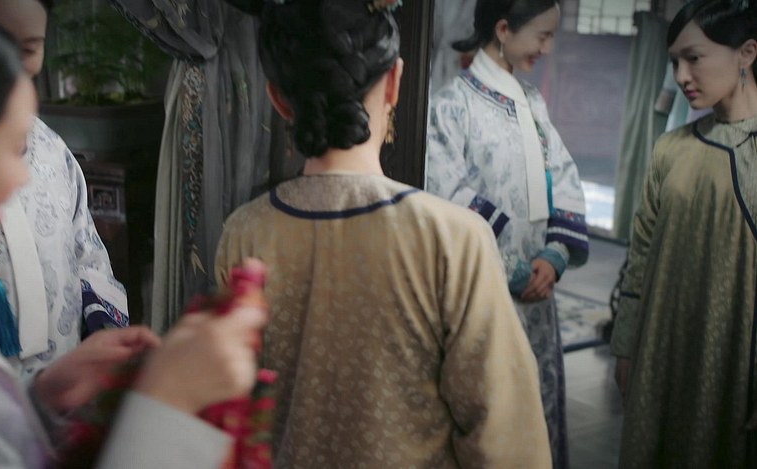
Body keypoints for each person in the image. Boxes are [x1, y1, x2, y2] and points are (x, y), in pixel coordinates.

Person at [0, 2, 268, 467]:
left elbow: (87, 255)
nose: (21, 178)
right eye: (7, 150)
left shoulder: (53, 152)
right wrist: (166, 402)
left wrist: (43, 395)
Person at [214, 0, 551, 467]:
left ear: (278, 98)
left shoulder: (244, 233)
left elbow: (233, 410)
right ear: (394, 81)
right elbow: (508, 440)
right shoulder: (453, 239)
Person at [425, 1, 589, 467]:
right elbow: (444, 192)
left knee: (535, 408)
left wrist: (554, 255)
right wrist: (510, 267)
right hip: (483, 293)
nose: (547, 48)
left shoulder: (532, 103)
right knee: (489, 420)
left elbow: (564, 174)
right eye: (542, 36)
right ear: (503, 29)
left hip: (538, 292)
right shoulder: (450, 106)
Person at [0, 0, 129, 377]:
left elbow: (87, 255)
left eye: (27, 49)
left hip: (62, 375)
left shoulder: (51, 148)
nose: (6, 63)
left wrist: (104, 336)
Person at [610, 0, 757, 466]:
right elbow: (640, 255)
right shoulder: (671, 149)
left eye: (694, 58)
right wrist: (626, 347)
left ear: (746, 53)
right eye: (674, 62)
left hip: (736, 359)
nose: (680, 75)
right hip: (662, 349)